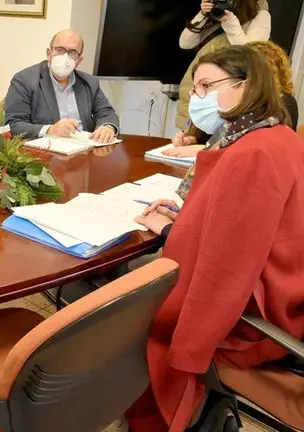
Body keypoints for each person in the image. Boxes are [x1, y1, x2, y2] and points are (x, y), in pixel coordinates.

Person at [128, 45, 304, 431]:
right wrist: (185, 217)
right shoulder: (279, 134)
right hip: (289, 296)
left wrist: (172, 232)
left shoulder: (251, 154)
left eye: (207, 86)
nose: (197, 97)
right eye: (196, 87)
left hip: (254, 321)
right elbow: (241, 227)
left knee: (129, 306)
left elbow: (222, 270)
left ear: (245, 86)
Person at [168, 39, 297, 158]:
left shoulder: (281, 107)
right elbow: (218, 133)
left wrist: (206, 149)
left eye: (206, 85)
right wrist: (193, 139)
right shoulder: (232, 110)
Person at [4, 29, 120, 143]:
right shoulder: (24, 80)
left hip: (83, 152)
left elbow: (107, 113)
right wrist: (49, 129)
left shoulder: (89, 82)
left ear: (78, 60)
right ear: (49, 54)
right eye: (60, 50)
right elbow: (13, 125)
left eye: (72, 52)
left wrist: (108, 127)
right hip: (42, 154)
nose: (65, 57)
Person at [175, 0, 270, 130]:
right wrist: (203, 14)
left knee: (212, 144)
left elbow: (250, 54)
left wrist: (230, 21)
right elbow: (185, 43)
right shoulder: (216, 10)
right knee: (186, 140)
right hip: (193, 93)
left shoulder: (259, 14)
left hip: (220, 104)